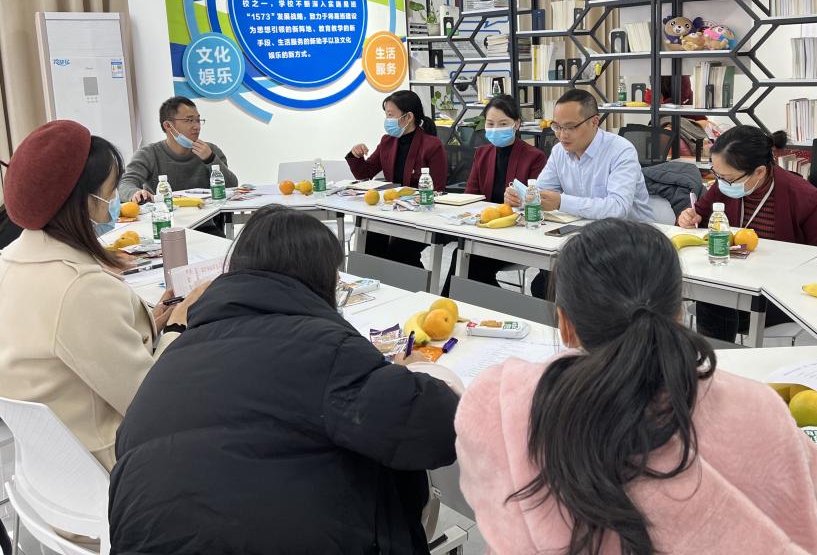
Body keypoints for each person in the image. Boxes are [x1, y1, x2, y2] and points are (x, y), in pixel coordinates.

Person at [455, 219, 817, 554]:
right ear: (679, 313)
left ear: (565, 324)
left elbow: (486, 501)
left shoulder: (496, 404)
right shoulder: (752, 408)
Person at [109, 205, 460, 555]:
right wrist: (416, 373)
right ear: (323, 279)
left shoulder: (174, 355)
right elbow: (439, 429)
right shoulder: (327, 351)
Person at [0, 121, 194, 471]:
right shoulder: (80, 288)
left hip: (50, 464)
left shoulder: (10, 262)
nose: (115, 201)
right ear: (84, 201)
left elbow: (73, 345)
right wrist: (176, 329)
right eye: (111, 190)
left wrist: (150, 323)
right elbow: (152, 402)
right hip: (110, 462)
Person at [676, 125, 817, 341]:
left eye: (728, 178)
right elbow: (700, 216)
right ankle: (710, 357)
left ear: (759, 171)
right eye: (716, 174)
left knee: (716, 303)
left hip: (778, 293)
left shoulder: (805, 197)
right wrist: (687, 218)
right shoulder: (724, 185)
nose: (720, 183)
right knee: (711, 297)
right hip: (732, 281)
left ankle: (717, 358)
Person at [504, 88, 653, 296]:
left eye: (570, 127)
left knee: (561, 287)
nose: (562, 135)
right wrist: (521, 197)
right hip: (582, 238)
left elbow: (618, 208)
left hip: (629, 242)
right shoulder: (559, 151)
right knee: (545, 284)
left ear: (594, 122)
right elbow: (541, 190)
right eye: (557, 126)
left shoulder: (621, 150)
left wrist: (561, 202)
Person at [443, 94, 546, 291]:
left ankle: (489, 304)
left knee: (468, 262)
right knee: (463, 257)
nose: (496, 129)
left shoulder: (535, 157)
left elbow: (539, 204)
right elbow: (471, 196)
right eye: (490, 124)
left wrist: (521, 201)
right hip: (486, 232)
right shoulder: (482, 153)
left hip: (519, 238)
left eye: (503, 124)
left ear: (516, 124)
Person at [347, 89, 448, 266]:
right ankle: (374, 281)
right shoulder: (387, 141)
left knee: (398, 252)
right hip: (392, 213)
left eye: (390, 115)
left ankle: (412, 283)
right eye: (386, 115)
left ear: (408, 117)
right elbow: (365, 173)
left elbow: (438, 189)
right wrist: (356, 155)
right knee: (369, 240)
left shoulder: (432, 145)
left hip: (421, 216)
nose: (387, 120)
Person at [118, 96, 238, 203]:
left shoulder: (210, 150)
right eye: (189, 120)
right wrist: (135, 193)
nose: (197, 126)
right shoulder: (149, 154)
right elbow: (125, 184)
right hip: (165, 218)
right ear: (168, 126)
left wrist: (210, 159)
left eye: (198, 120)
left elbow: (232, 186)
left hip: (208, 219)